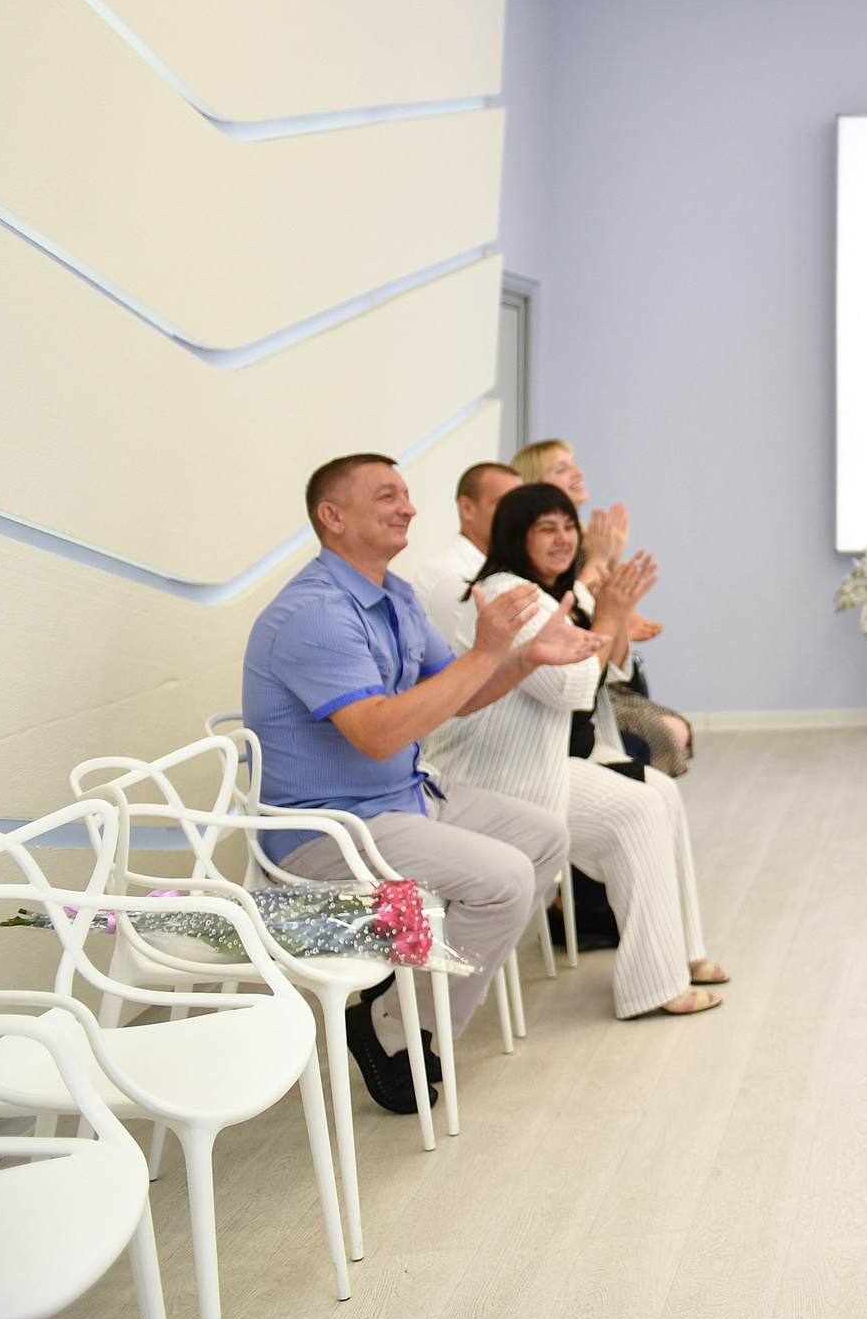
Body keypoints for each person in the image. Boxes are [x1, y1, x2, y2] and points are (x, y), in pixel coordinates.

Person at [243, 454, 587, 1113]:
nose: (408, 507)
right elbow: (375, 732)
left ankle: (401, 1006)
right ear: (332, 516)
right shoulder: (316, 612)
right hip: (329, 829)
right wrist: (491, 651)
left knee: (545, 838)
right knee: (505, 878)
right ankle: (404, 1029)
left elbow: (455, 693)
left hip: (402, 799)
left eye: (406, 494)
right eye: (386, 496)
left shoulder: (392, 594)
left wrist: (519, 659)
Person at [427, 483, 728, 1017]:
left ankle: (684, 954)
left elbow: (611, 670)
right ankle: (653, 987)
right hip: (500, 776)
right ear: (516, 537)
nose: (564, 538)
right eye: (547, 528)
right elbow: (566, 688)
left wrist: (613, 614)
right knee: (636, 810)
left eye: (569, 526)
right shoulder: (506, 593)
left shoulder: (553, 590)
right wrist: (611, 617)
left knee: (661, 792)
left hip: (557, 762)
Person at [512, 437, 691, 770]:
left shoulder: (588, 537)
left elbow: (604, 616)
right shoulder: (535, 564)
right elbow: (574, 612)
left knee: (676, 730)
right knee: (666, 735)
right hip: (576, 692)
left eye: (575, 462)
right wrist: (603, 563)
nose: (577, 472)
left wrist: (614, 575)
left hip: (602, 679)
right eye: (561, 468)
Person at [407, 461, 521, 633]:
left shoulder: (512, 570)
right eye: (505, 504)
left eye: (519, 506)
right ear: (467, 508)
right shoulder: (450, 578)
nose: (518, 516)